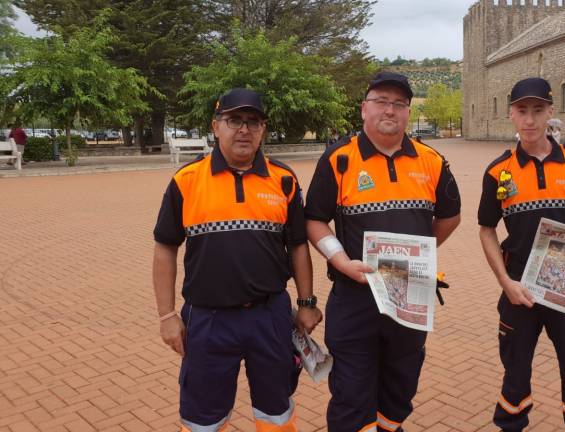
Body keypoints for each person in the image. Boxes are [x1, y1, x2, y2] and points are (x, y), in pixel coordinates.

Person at [152, 88, 322, 432]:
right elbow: (165, 248)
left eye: (253, 122)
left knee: (276, 412)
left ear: (263, 130)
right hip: (207, 320)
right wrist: (167, 315)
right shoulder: (186, 181)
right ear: (216, 127)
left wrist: (306, 302)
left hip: (270, 317)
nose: (244, 130)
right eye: (234, 121)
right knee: (203, 418)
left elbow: (299, 246)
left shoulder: (284, 180)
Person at [304, 72, 461, 432]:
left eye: (399, 103)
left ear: (407, 111)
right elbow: (314, 221)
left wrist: (418, 254)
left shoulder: (432, 160)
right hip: (355, 296)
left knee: (400, 387)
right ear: (364, 109)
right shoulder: (338, 160)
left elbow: (451, 217)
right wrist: (340, 261)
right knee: (350, 393)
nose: (390, 110)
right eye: (381, 101)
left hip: (410, 295)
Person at [477, 77, 565, 432]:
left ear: (550, 112)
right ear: (511, 114)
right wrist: (505, 282)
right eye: (522, 111)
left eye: (537, 110)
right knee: (515, 374)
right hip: (519, 291)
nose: (530, 119)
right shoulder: (498, 171)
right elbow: (486, 229)